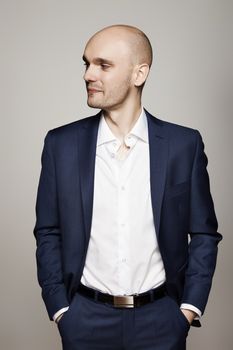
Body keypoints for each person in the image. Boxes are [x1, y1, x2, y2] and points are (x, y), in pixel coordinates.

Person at [33, 24, 222, 350]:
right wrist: (61, 310)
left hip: (161, 321)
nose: (88, 74)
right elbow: (48, 231)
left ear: (139, 73)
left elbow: (204, 234)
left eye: (103, 65)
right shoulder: (60, 144)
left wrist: (187, 310)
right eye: (87, 63)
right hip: (85, 320)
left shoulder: (183, 145)